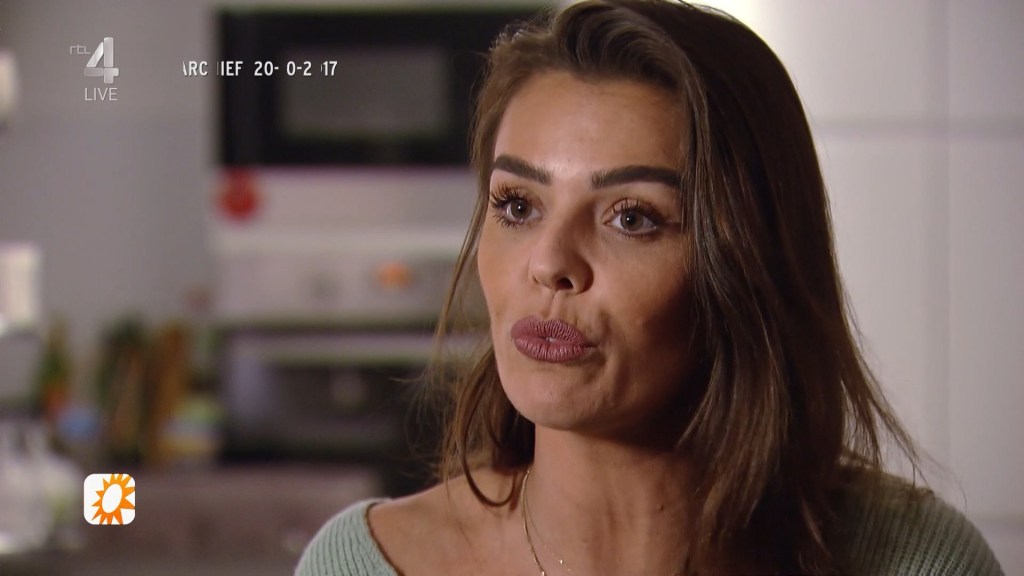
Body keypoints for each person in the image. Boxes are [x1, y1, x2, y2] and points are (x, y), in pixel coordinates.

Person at [296, 1, 1004, 574]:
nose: (549, 262)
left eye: (631, 217)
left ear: (748, 265)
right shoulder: (367, 564)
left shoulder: (918, 563)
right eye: (517, 205)